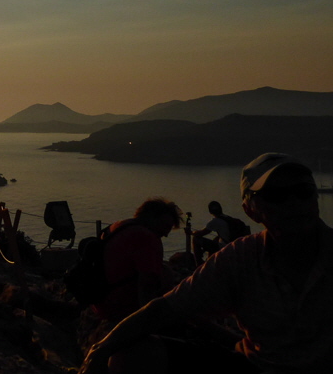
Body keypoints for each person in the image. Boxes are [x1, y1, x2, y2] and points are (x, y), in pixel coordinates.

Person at [79, 153, 333, 374]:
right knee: (133, 356)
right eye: (276, 195)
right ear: (250, 210)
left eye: (303, 191)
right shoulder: (241, 257)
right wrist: (101, 350)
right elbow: (168, 308)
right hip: (257, 365)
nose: (294, 202)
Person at [91, 198, 183, 323]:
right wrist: (148, 320)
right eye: (166, 226)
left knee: (165, 270)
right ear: (151, 218)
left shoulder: (117, 226)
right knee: (168, 275)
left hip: (100, 301)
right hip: (121, 308)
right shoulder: (146, 237)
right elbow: (147, 285)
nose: (166, 234)